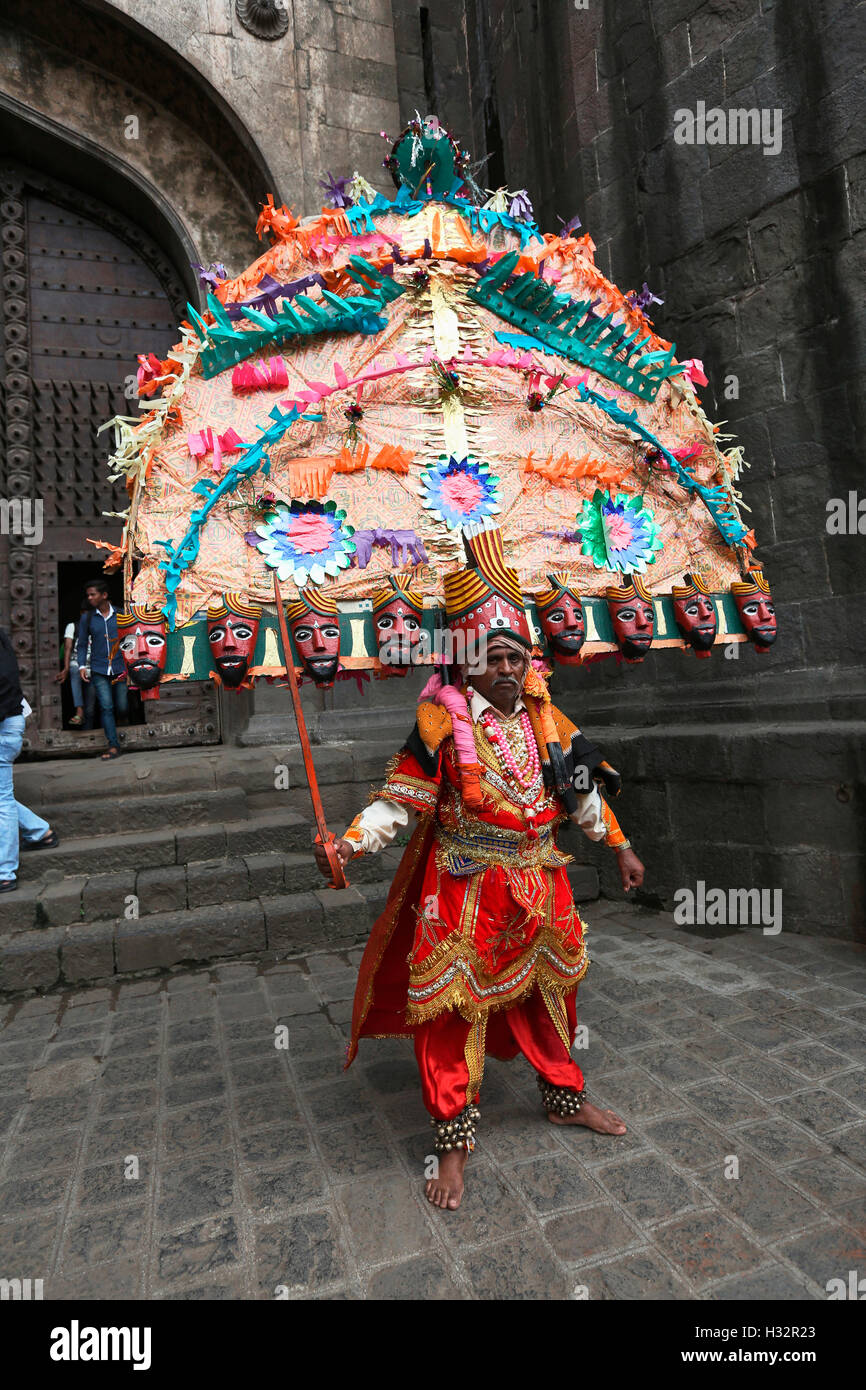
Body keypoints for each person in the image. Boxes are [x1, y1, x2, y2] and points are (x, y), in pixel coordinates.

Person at [314, 530, 644, 1211]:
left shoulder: (549, 721)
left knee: (554, 994)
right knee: (452, 1014)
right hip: (463, 890)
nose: (505, 668)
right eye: (492, 656)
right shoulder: (441, 722)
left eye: (516, 656)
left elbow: (581, 793)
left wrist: (619, 846)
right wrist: (349, 845)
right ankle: (453, 1143)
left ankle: (564, 1096)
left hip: (540, 880)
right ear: (463, 662)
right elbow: (397, 803)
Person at [0, 627, 59, 892]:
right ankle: (40, 832)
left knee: (1, 800)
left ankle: (5, 872)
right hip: (11, 720)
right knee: (1, 796)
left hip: (3, 724)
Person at [77, 579, 128, 759]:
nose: (89, 598)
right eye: (88, 595)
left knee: (122, 706)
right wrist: (82, 665)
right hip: (98, 669)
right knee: (106, 707)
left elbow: (131, 639)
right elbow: (82, 644)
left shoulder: (122, 614)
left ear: (104, 595)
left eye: (93, 594)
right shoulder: (87, 618)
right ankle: (113, 745)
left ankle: (122, 721)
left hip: (120, 667)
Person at [55, 601, 90, 727]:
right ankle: (79, 711)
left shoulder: (98, 625)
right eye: (86, 613)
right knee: (74, 671)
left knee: (91, 708)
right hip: (77, 663)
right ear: (81, 613)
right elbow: (68, 648)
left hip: (94, 665)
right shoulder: (73, 626)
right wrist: (66, 668)